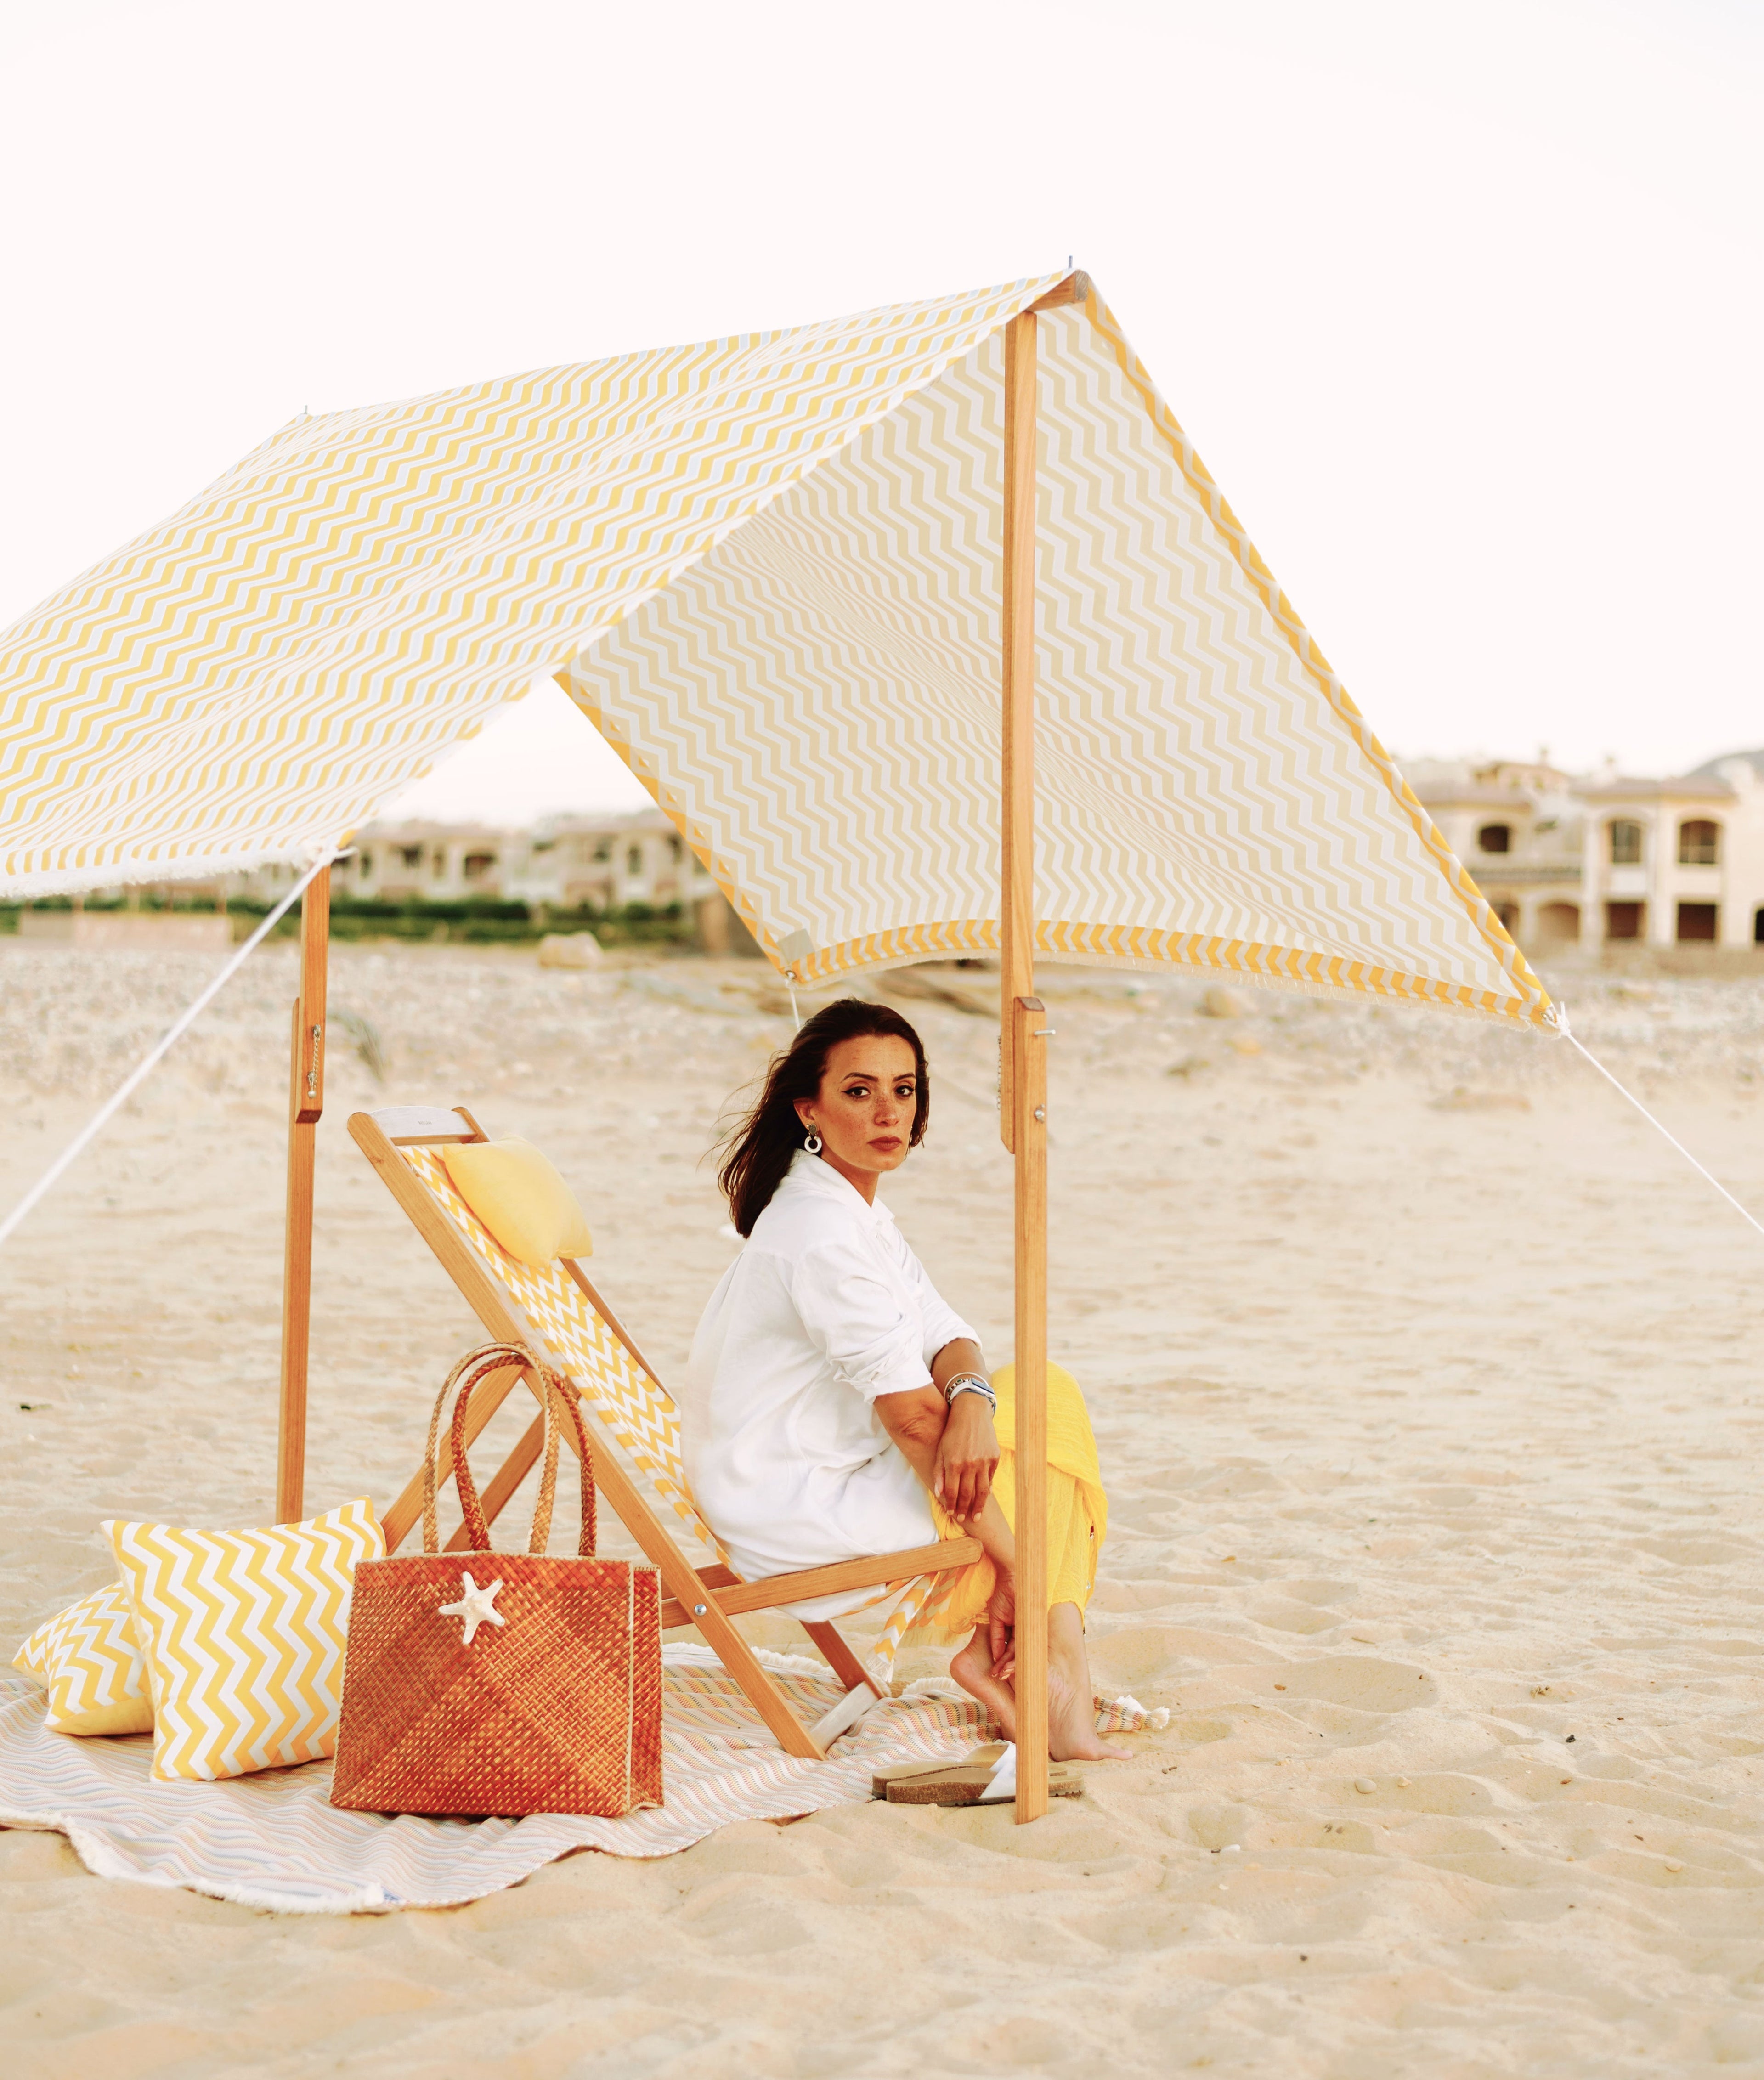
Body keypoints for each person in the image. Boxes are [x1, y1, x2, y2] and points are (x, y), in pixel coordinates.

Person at [677, 996, 1128, 1763]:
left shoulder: (850, 1211)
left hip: (830, 1467)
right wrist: (1016, 1568)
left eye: (904, 1089)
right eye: (859, 1091)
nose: (888, 1112)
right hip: (798, 1509)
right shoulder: (822, 1232)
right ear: (810, 1109)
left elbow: (948, 1334)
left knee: (1039, 1395)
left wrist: (973, 1400)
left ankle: (1030, 1663)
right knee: (1043, 1447)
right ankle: (1053, 1671)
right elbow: (914, 1420)